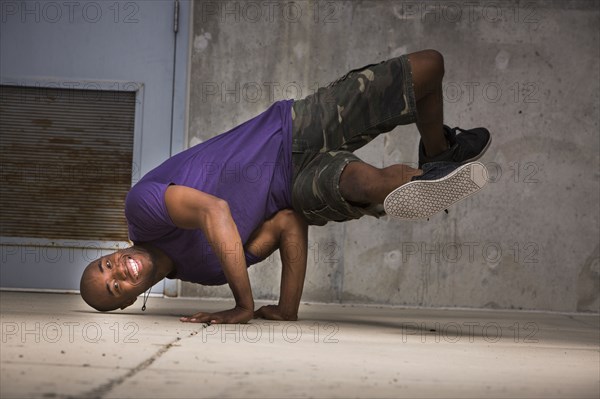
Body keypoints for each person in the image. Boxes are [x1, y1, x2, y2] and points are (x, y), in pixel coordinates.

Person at [80, 50, 491, 323]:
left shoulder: (142, 209)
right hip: (299, 188)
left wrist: (243, 306)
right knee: (373, 185)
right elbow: (288, 224)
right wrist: (287, 308)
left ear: (112, 252)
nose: (118, 272)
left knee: (429, 67)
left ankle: (438, 152)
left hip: (292, 130)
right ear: (128, 301)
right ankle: (423, 181)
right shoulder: (205, 271)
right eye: (115, 287)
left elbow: (214, 211)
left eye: (106, 265)